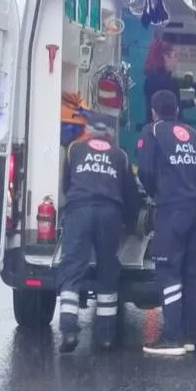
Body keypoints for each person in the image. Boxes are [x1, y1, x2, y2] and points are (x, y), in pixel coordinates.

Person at [136, 89, 196, 356]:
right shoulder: (194, 135)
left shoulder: (152, 132)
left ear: (154, 111)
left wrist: (154, 193)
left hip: (171, 210)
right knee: (192, 273)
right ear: (177, 110)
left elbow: (144, 170)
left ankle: (172, 337)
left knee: (169, 272)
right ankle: (190, 335)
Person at [57, 116, 141, 354]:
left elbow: (67, 184)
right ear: (110, 134)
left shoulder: (75, 149)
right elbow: (130, 193)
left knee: (73, 266)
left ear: (89, 131)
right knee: (107, 269)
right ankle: (105, 336)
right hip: (109, 213)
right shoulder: (120, 155)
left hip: (79, 210)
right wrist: (132, 222)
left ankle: (69, 330)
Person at [142, 38, 183, 125]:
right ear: (165, 57)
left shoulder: (149, 79)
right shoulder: (170, 83)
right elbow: (176, 107)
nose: (177, 60)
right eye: (175, 56)